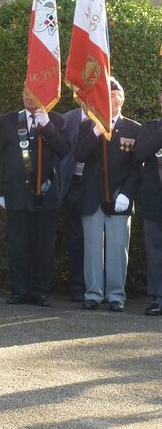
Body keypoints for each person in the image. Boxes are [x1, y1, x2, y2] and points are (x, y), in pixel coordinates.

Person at [0, 88, 70, 306]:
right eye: (25, 92)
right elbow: (0, 158)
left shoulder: (56, 120)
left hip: (46, 194)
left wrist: (47, 126)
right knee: (19, 244)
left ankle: (41, 291)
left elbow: (64, 149)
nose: (28, 96)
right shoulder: (10, 120)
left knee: (44, 245)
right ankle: (19, 290)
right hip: (17, 192)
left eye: (33, 93)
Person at [74, 78, 140, 312]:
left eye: (115, 95)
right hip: (92, 195)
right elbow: (79, 155)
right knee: (92, 247)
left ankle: (115, 296)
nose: (111, 100)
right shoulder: (87, 126)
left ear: (122, 99)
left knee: (118, 246)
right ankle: (92, 293)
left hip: (120, 195)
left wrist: (128, 194)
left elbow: (137, 167)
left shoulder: (134, 128)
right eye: (107, 96)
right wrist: (95, 131)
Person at [133, 91, 162, 316]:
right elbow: (139, 154)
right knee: (155, 250)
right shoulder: (149, 128)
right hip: (154, 199)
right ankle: (158, 297)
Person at [58, 106, 88, 301]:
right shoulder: (67, 119)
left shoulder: (106, 116)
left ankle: (97, 286)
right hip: (73, 184)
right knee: (76, 238)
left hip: (97, 186)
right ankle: (78, 286)